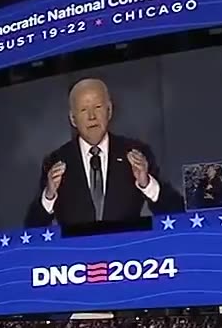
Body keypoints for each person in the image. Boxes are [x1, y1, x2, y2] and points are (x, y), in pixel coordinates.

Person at [24, 78, 183, 228]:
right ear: (73, 119)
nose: (92, 117)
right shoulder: (55, 161)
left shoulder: (136, 153)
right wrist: (49, 195)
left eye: (98, 107)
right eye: (84, 110)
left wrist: (146, 183)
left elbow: (176, 211)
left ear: (109, 110)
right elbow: (32, 227)